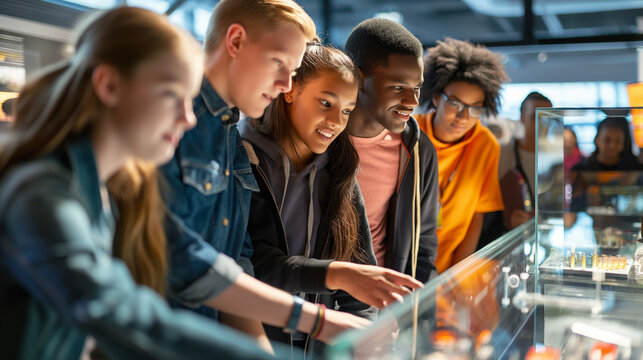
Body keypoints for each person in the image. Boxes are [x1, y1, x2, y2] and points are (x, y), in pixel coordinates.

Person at [0, 7, 283, 359]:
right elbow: (114, 310)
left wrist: (317, 319)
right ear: (109, 85)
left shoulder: (113, 185)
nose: (188, 117)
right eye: (170, 95)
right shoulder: (40, 193)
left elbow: (190, 259)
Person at [157, 0, 374, 348]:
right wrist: (317, 318)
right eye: (279, 63)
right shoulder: (176, 120)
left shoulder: (228, 134)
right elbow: (182, 261)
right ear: (236, 41)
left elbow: (235, 261)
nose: (287, 84)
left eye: (293, 69)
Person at [240, 43, 422, 353]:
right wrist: (336, 275)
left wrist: (361, 341)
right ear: (290, 90)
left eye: (347, 110)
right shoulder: (244, 159)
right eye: (326, 103)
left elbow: (360, 272)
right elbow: (257, 263)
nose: (338, 121)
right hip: (253, 340)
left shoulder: (340, 170)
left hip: (319, 344)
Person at [342, 18, 440, 283]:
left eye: (417, 88)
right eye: (398, 87)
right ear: (358, 78)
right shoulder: (321, 138)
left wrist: (411, 305)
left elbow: (425, 237)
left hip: (384, 302)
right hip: (321, 304)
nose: (413, 102)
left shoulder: (418, 150)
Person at [415, 38, 509, 273]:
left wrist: (456, 275)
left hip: (450, 267)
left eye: (475, 107)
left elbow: (476, 216)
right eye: (455, 103)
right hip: (401, 264)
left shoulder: (486, 144)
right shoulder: (409, 134)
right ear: (436, 97)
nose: (464, 116)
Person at [498, 92, 552, 230]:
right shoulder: (502, 153)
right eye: (535, 117)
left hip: (545, 232)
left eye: (547, 118)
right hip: (508, 234)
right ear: (522, 118)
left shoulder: (555, 155)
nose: (542, 124)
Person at [572, 117, 642, 171]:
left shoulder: (635, 168)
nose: (612, 146)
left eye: (617, 141)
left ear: (623, 143)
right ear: (597, 140)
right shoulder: (581, 169)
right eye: (607, 140)